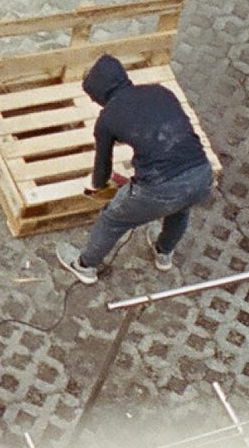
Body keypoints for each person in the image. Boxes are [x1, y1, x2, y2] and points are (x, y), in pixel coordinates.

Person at [55, 53, 216, 284]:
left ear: (99, 94)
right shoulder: (161, 92)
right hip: (202, 174)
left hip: (161, 188)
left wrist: (101, 188)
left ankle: (85, 266)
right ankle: (164, 253)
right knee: (181, 208)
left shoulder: (108, 118)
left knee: (112, 219)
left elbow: (102, 170)